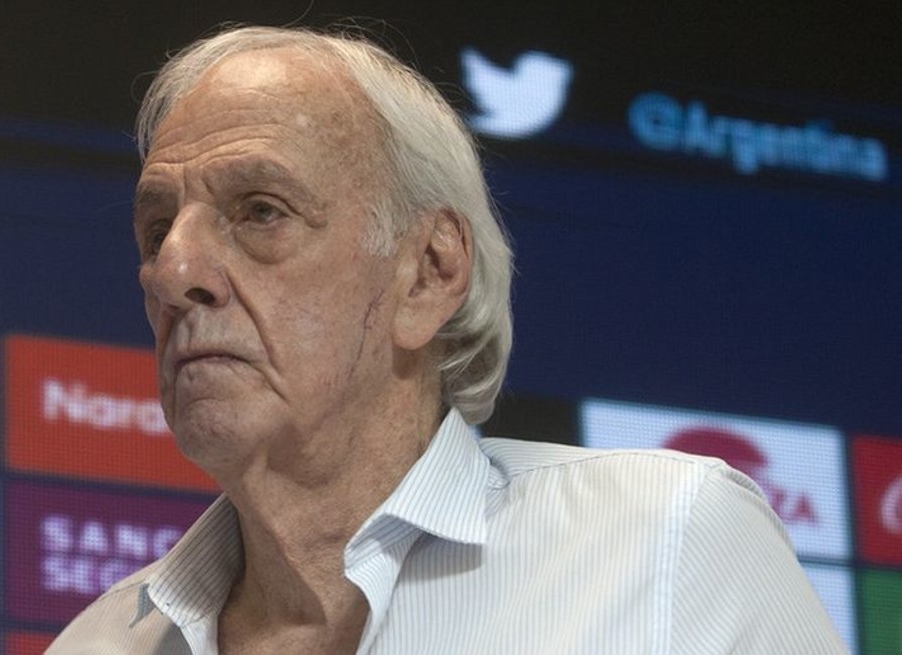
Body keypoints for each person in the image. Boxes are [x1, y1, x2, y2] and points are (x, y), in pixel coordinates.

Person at [47, 25, 846, 654]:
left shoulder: (666, 542)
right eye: (157, 228)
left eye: (261, 211)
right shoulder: (98, 644)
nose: (173, 270)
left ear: (429, 273)